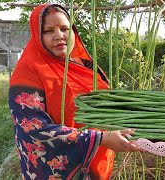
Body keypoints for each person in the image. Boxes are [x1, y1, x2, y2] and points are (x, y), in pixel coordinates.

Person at [9, 4, 141, 180]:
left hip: (95, 163)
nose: (59, 36)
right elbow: (33, 129)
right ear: (37, 35)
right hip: (59, 171)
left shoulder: (84, 65)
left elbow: (106, 103)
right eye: (49, 31)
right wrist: (100, 138)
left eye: (64, 28)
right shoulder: (28, 72)